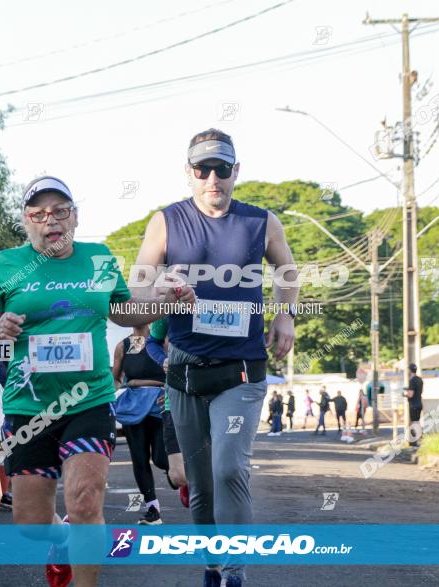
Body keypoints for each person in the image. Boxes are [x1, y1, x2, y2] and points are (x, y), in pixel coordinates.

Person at [0, 176, 195, 587]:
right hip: (29, 404)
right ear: (27, 221)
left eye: (60, 210)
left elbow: (124, 311)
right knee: (31, 522)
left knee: (86, 499)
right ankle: (62, 541)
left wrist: (164, 299)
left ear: (75, 216)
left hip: (88, 397)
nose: (50, 219)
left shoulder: (99, 258)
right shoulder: (7, 263)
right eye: (38, 213)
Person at [132, 128, 298, 587]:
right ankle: (211, 566)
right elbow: (137, 289)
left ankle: (235, 572)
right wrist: (161, 291)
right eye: (202, 169)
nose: (212, 179)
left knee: (229, 469)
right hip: (185, 370)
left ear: (235, 172)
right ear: (189, 173)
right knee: (200, 485)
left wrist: (285, 316)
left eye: (221, 169)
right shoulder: (165, 222)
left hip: (240, 372)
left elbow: (286, 270)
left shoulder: (261, 222)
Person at [112, 325, 170, 524]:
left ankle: (178, 473)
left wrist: (163, 388)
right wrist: (121, 392)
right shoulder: (124, 345)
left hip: (161, 405)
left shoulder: (162, 341)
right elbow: (116, 379)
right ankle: (153, 509)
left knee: (161, 458)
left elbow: (176, 371)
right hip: (134, 407)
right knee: (139, 458)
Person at [144, 316, 189, 507]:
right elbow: (152, 342)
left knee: (216, 469)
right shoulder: (172, 305)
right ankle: (186, 484)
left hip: (213, 398)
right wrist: (163, 360)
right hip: (175, 398)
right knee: (179, 476)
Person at [404, 364, 424, 447]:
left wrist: (404, 394)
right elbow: (420, 391)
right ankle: (417, 440)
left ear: (410, 370)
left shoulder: (412, 380)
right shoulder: (420, 379)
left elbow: (411, 394)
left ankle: (416, 441)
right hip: (419, 403)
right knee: (417, 422)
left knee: (414, 423)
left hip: (413, 404)